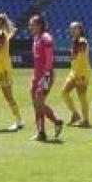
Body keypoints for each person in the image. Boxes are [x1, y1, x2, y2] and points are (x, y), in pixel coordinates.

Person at [28, 14, 64, 142]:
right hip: (37, 76)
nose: (30, 27)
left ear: (39, 25)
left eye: (32, 24)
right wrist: (34, 78)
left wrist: (46, 76)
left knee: (39, 103)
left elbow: (49, 59)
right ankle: (41, 131)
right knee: (36, 104)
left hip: (45, 76)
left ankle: (53, 123)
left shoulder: (46, 38)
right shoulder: (36, 38)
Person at [61, 21, 91, 127]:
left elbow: (80, 56)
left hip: (82, 72)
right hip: (74, 72)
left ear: (80, 29)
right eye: (71, 29)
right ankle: (75, 114)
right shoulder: (75, 40)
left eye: (75, 29)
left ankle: (86, 119)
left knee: (81, 96)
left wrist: (74, 55)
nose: (72, 31)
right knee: (64, 93)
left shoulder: (82, 41)